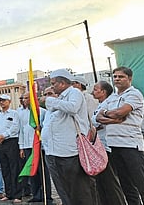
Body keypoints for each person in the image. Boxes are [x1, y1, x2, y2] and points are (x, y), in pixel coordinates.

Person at [96, 67, 144, 205]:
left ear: (129, 79)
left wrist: (110, 114)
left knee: (142, 183)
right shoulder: (112, 97)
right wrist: (112, 117)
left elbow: (120, 112)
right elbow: (98, 117)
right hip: (114, 145)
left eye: (121, 77)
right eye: (115, 76)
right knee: (126, 185)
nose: (117, 79)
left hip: (130, 145)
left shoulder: (134, 94)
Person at [41, 69, 96, 205]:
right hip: (57, 151)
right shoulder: (60, 98)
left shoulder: (74, 93)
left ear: (63, 83)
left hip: (71, 151)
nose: (52, 87)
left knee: (79, 189)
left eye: (54, 84)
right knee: (66, 188)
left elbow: (72, 108)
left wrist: (49, 101)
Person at [91, 81, 126, 205]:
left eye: (96, 89)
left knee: (110, 180)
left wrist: (100, 121)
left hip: (107, 144)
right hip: (99, 144)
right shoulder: (99, 105)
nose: (93, 92)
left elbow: (106, 120)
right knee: (101, 180)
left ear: (103, 92)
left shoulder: (109, 103)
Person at [0, 94, 22, 203]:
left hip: (11, 142)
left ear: (9, 101)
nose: (2, 103)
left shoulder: (14, 113)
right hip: (0, 143)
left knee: (14, 168)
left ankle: (17, 194)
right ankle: (9, 193)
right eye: (0, 101)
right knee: (5, 168)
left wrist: (3, 135)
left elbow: (15, 127)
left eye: (4, 100)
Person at [18, 92, 47, 202]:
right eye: (23, 98)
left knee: (42, 172)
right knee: (32, 171)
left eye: (27, 98)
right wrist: (21, 147)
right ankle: (35, 194)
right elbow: (21, 130)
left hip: (38, 146)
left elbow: (46, 127)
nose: (24, 100)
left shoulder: (42, 112)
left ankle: (45, 195)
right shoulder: (22, 113)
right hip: (27, 145)